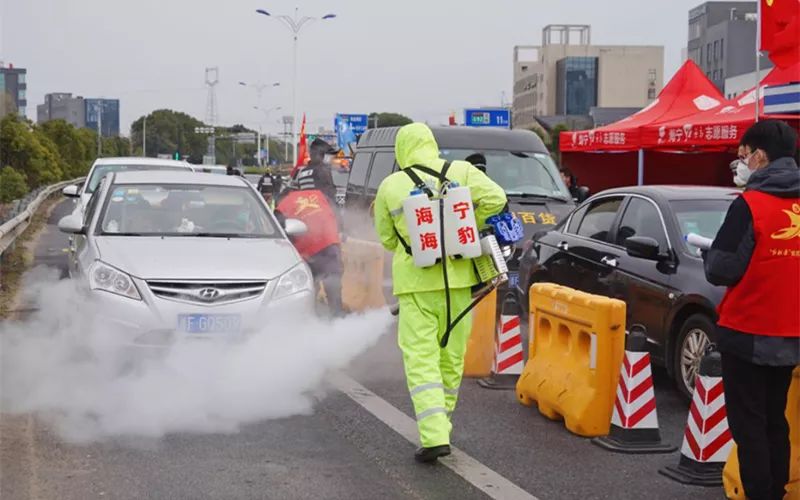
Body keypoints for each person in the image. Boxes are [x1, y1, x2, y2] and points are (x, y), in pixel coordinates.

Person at [373, 123, 507, 463]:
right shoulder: (461, 170)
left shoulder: (392, 185)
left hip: (416, 286)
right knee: (451, 358)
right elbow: (497, 199)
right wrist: (466, 225)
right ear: (431, 144)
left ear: (403, 149)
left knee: (421, 359)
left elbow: (387, 239)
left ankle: (433, 436)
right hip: (460, 285)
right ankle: (441, 425)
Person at [703, 119, 799, 500]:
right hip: (791, 332)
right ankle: (775, 491)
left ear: (760, 156)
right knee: (776, 421)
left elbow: (721, 268)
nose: (740, 164)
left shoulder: (750, 205)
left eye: (743, 156)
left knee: (749, 426)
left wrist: (709, 251)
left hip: (748, 332)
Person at [291, 138, 338, 204]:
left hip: (304, 208)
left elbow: (295, 192)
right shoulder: (322, 170)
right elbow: (329, 192)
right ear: (321, 155)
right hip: (319, 207)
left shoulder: (301, 172)